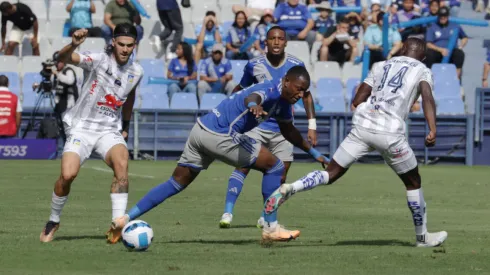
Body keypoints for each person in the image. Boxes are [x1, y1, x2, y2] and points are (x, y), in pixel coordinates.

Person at [263, 38, 449, 248]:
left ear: (403, 49)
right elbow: (427, 97)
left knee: (331, 172)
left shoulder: (381, 65)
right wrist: (432, 128)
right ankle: (422, 237)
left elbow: (358, 99)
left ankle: (291, 188)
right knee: (413, 182)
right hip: (390, 132)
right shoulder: (423, 70)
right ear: (422, 57)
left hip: (362, 126)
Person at [111, 66, 328, 242]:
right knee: (275, 166)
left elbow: (288, 130)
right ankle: (271, 227)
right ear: (287, 81)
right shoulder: (271, 89)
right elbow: (252, 97)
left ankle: (124, 219)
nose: (300, 95)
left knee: (176, 182)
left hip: (200, 130)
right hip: (220, 135)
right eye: (298, 89)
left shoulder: (283, 102)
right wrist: (254, 106)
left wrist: (314, 152)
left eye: (304, 92)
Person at [39, 23, 144, 243]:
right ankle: (54, 219)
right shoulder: (98, 60)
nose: (125, 49)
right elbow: (65, 58)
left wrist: (125, 125)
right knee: (68, 175)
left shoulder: (137, 72)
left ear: (135, 45)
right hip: (81, 127)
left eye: (130, 45)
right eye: (121, 44)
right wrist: (74, 44)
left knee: (122, 165)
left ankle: (117, 224)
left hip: (108, 130)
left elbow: (130, 97)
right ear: (113, 42)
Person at [219, 26, 317, 228]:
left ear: (286, 42)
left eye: (280, 38)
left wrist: (312, 125)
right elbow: (241, 90)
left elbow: (306, 95)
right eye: (272, 38)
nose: (276, 42)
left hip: (284, 128)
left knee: (281, 174)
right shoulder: (254, 65)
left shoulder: (295, 65)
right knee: (243, 165)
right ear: (266, 42)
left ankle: (266, 216)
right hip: (256, 124)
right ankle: (227, 212)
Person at [425, 6, 467, 79]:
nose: (443, 18)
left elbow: (464, 37)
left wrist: (461, 46)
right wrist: (441, 50)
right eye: (441, 16)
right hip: (437, 51)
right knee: (429, 54)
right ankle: (430, 78)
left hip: (452, 51)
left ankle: (456, 78)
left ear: (448, 16)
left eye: (445, 16)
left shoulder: (455, 26)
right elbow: (428, 44)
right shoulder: (432, 26)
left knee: (460, 54)